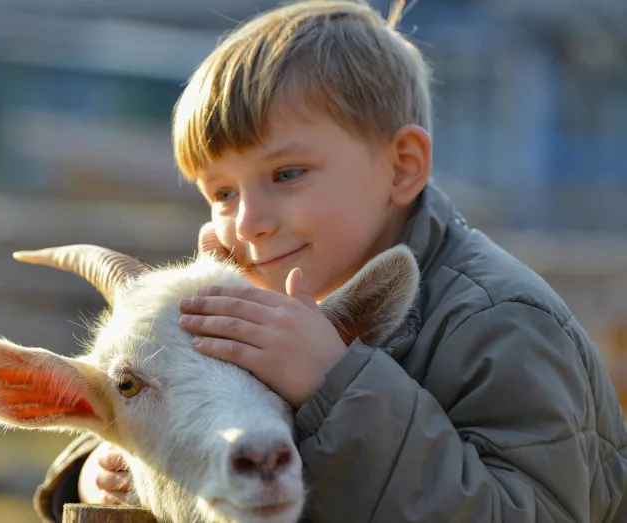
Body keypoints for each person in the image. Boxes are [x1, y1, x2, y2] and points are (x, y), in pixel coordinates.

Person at [33, 1, 627, 521]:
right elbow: (199, 415)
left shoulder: (502, 323)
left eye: (286, 174)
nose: (248, 221)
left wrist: (334, 385)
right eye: (222, 193)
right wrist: (112, 465)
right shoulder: (285, 291)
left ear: (402, 167)